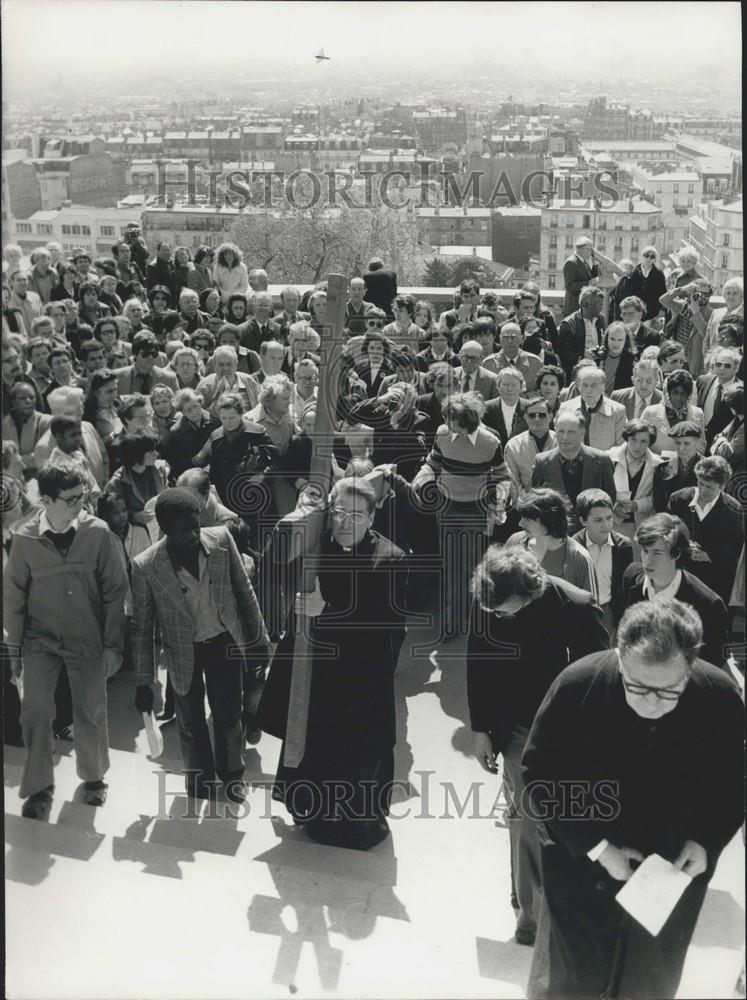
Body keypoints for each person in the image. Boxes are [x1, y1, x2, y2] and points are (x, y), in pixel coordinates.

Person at [521, 598, 743, 1000]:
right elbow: (539, 775)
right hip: (582, 859)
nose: (651, 703)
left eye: (668, 690)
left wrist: (707, 840)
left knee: (649, 979)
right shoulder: (577, 684)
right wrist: (599, 848)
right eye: (637, 686)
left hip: (670, 867)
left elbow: (733, 782)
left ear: (691, 666)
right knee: (572, 976)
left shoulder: (721, 697)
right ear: (619, 659)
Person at [467, 546, 608, 945]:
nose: (500, 618)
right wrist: (481, 729)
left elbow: (601, 678)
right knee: (525, 821)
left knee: (567, 822)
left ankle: (567, 907)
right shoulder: (491, 599)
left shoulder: (577, 608)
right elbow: (477, 663)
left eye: (508, 612)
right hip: (514, 729)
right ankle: (529, 915)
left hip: (568, 734)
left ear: (529, 593)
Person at [258, 476, 408, 848]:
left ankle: (352, 825)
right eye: (339, 512)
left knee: (356, 754)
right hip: (317, 672)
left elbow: (387, 623)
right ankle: (309, 810)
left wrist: (327, 612)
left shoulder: (390, 558)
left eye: (357, 515)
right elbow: (274, 556)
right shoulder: (315, 546)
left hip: (362, 677)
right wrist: (303, 512)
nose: (346, 523)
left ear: (373, 518)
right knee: (315, 741)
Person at [4, 460, 128, 818]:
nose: (81, 504)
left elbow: (115, 593)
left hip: (87, 639)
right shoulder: (25, 538)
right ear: (45, 499)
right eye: (71, 498)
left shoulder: (99, 533)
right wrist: (15, 653)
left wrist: (112, 645)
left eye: (84, 496)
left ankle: (93, 779)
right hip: (39, 643)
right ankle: (40, 789)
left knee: (89, 711)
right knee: (37, 713)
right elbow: (13, 598)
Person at [132, 488, 271, 802]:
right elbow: (142, 630)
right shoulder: (146, 566)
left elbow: (245, 592)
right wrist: (144, 682)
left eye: (196, 526)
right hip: (184, 652)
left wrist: (258, 641)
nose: (193, 535)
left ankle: (233, 777)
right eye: (183, 531)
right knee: (191, 721)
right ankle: (200, 783)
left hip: (225, 643)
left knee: (228, 714)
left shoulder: (222, 539)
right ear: (165, 530)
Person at [412, 392, 514, 636]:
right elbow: (433, 463)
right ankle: (451, 621)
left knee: (471, 566)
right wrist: (422, 479)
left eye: (452, 419)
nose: (447, 422)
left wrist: (500, 497)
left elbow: (502, 475)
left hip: (475, 511)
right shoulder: (442, 434)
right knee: (450, 565)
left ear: (468, 419)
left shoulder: (490, 442)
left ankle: (471, 618)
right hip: (446, 508)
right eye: (446, 417)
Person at [621, 513, 728, 669]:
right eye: (644, 550)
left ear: (677, 553)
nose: (647, 560)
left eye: (657, 553)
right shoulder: (631, 577)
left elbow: (712, 665)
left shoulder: (709, 605)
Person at [668, 455, 743, 603]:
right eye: (700, 483)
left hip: (715, 581)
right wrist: (682, 544)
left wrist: (709, 555)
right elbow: (666, 529)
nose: (702, 490)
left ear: (722, 486)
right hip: (681, 575)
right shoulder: (678, 499)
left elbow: (736, 546)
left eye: (709, 486)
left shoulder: (734, 509)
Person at [506, 488, 599, 598]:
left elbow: (591, 609)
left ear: (548, 521)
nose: (520, 523)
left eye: (528, 519)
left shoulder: (579, 558)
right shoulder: (514, 542)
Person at [531, 410, 616, 527]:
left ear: (582, 433)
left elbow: (610, 497)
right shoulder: (542, 462)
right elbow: (535, 500)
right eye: (561, 431)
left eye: (571, 432)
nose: (565, 437)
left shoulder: (601, 461)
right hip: (555, 531)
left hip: (591, 532)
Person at [572, 488, 633, 635]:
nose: (606, 525)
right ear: (583, 520)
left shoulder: (623, 546)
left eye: (609, 518)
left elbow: (625, 586)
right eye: (598, 520)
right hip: (582, 612)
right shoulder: (574, 546)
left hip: (610, 612)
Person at [105, 430, 169, 542]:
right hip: (135, 538)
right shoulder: (117, 483)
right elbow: (111, 515)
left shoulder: (160, 470)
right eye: (150, 452)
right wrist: (135, 517)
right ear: (136, 455)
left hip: (160, 531)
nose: (156, 454)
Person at [607, 420, 666, 541]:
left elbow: (657, 497)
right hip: (610, 524)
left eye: (643, 441)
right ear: (626, 438)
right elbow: (600, 490)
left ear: (650, 443)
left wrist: (638, 505)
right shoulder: (608, 458)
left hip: (641, 527)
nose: (637, 446)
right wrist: (614, 507)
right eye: (633, 439)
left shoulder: (657, 464)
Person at [559, 365, 626, 451]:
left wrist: (601, 460)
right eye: (584, 385)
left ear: (603, 387)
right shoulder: (565, 408)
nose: (588, 390)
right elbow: (559, 441)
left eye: (593, 385)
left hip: (605, 462)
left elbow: (621, 445)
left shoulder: (618, 411)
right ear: (578, 387)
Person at [659, 278, 714, 379]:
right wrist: (681, 290)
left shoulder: (712, 313)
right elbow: (662, 300)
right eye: (699, 293)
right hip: (677, 358)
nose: (702, 297)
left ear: (710, 295)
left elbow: (707, 335)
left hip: (695, 362)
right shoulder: (683, 305)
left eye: (706, 294)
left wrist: (696, 312)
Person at [641, 369, 705, 455]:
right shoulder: (650, 412)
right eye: (675, 392)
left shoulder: (698, 413)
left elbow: (701, 445)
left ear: (688, 395)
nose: (679, 397)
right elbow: (642, 442)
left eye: (683, 393)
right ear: (669, 392)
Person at [504, 396, 557, 493]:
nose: (537, 419)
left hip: (558, 500)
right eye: (532, 415)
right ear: (526, 418)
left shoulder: (561, 442)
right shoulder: (513, 446)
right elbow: (512, 483)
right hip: (526, 502)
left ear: (550, 416)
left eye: (542, 415)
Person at [159, 388, 214, 482]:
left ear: (200, 404)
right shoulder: (176, 432)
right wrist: (192, 461)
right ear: (182, 412)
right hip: (192, 478)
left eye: (196, 406)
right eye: (188, 410)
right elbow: (174, 463)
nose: (194, 412)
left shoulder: (215, 421)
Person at [2, 382, 52, 480]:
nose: (28, 401)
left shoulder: (46, 422)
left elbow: (46, 453)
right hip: (11, 480)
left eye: (32, 397)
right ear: (13, 401)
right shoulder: (4, 423)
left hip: (39, 479)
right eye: (22, 398)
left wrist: (16, 461)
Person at [696, 346, 742, 445]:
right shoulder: (703, 381)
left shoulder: (741, 391)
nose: (722, 368)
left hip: (722, 446)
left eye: (727, 366)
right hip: (699, 442)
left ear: (736, 368)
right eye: (718, 364)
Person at [195, 344, 258, 416]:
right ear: (215, 365)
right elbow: (198, 415)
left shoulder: (248, 381)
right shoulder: (205, 386)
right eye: (221, 364)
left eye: (229, 364)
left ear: (236, 364)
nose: (225, 368)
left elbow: (258, 409)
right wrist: (217, 400)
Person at [557, 285, 606, 378]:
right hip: (577, 373)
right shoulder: (569, 324)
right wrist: (583, 358)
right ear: (585, 303)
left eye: (601, 304)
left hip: (598, 369)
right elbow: (563, 353)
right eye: (599, 304)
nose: (601, 307)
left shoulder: (601, 319)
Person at [483, 321, 543, 392]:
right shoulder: (488, 364)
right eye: (505, 337)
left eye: (513, 337)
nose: (509, 341)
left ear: (521, 339)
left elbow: (540, 392)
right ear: (500, 339)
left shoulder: (535, 363)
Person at [115, 331, 178, 396]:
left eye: (154, 354)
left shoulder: (169, 379)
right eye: (145, 354)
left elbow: (176, 404)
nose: (150, 357)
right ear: (135, 354)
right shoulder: (117, 376)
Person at [616, 247, 667, 324]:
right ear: (641, 257)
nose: (649, 258)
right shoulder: (633, 273)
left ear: (655, 259)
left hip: (652, 313)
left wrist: (662, 310)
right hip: (634, 312)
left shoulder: (659, 274)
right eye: (646, 255)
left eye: (652, 256)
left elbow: (663, 293)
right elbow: (627, 293)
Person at [482, 366, 529, 446]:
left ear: (521, 387)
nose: (509, 389)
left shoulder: (530, 407)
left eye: (514, 385)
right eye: (505, 385)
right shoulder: (486, 408)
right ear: (498, 386)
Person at [710, 382, 744, 475]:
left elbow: (727, 454)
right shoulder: (737, 419)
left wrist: (720, 441)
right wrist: (722, 441)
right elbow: (718, 436)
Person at [562, 236, 601, 315]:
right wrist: (589, 283)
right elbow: (570, 286)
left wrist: (595, 265)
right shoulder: (571, 262)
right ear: (580, 249)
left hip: (583, 308)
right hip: (574, 309)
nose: (590, 253)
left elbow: (589, 277)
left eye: (591, 250)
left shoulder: (584, 262)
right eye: (588, 250)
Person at [596, 321, 635, 394]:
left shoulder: (631, 361)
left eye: (620, 340)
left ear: (626, 341)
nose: (616, 343)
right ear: (607, 338)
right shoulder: (596, 355)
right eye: (612, 339)